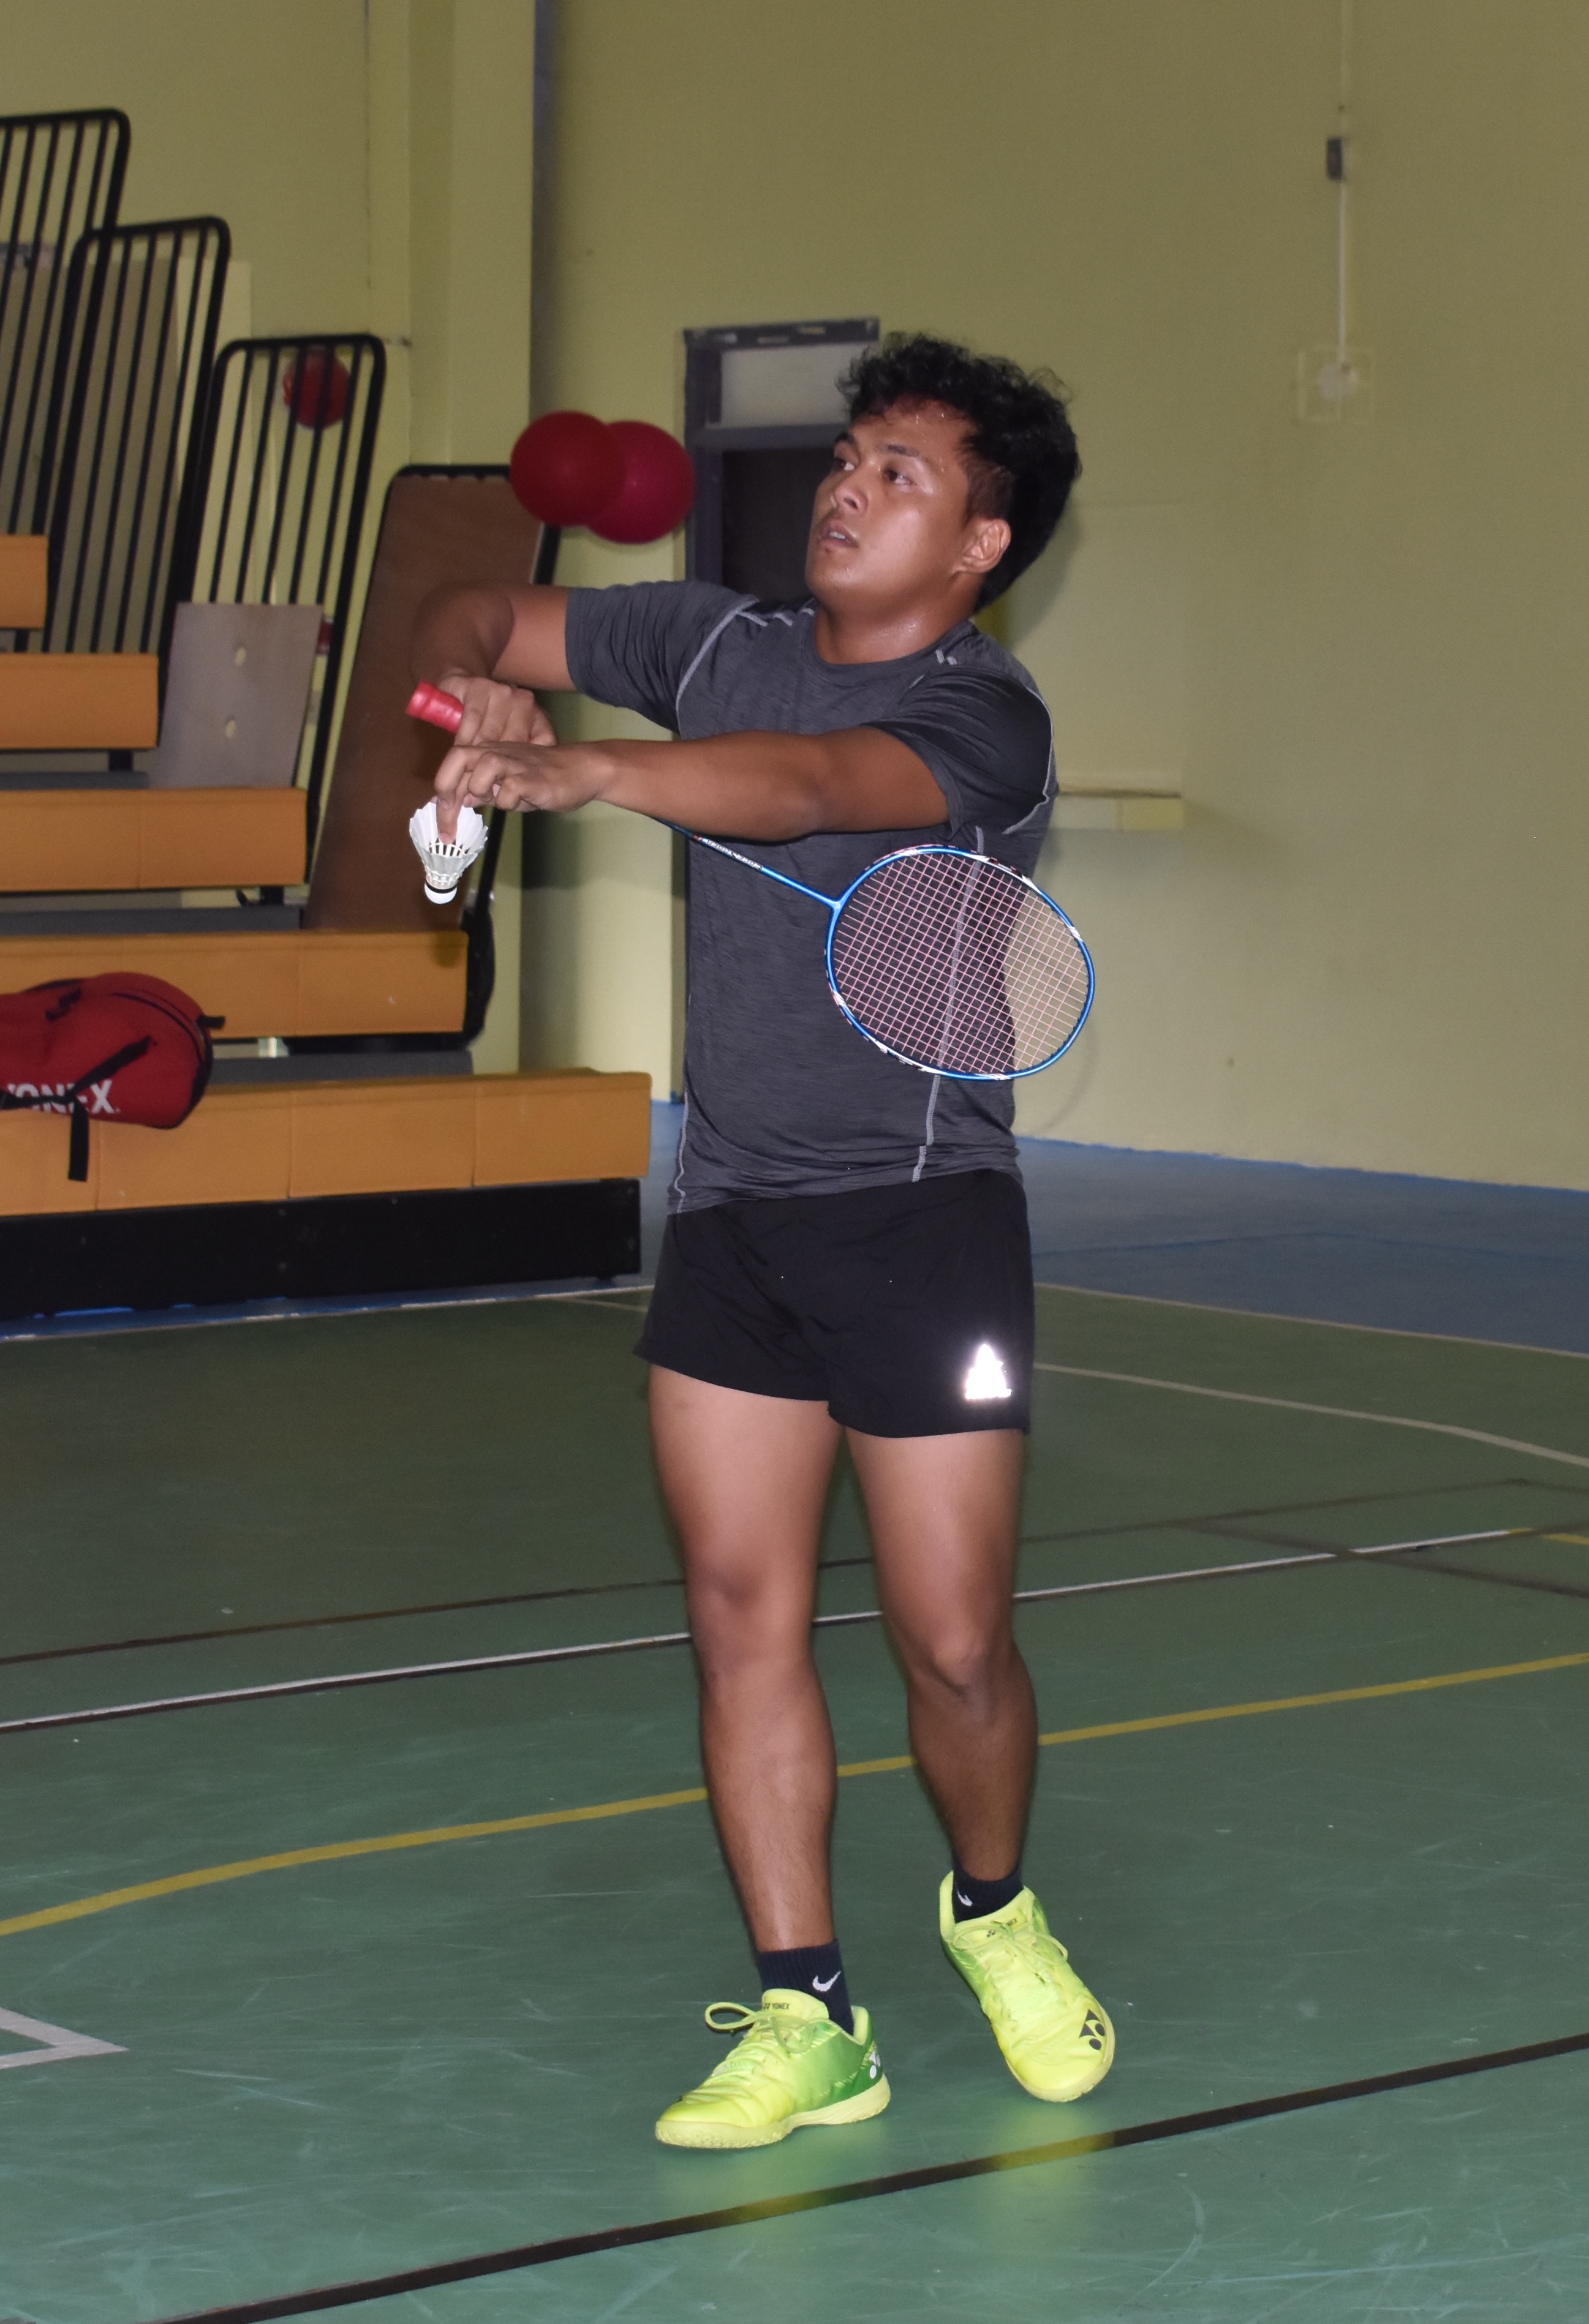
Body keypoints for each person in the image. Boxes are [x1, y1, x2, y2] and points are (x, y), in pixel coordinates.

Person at [412, 334, 1112, 2151]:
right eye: (851, 453)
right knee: (742, 1618)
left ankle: (992, 1906)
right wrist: (473, 697)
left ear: (980, 543)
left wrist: (589, 782)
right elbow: (483, 606)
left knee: (952, 1643)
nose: (850, 486)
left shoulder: (984, 716)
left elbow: (808, 791)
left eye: (904, 473)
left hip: (922, 1217)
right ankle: (808, 2012)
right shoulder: (715, 639)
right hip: (730, 1210)